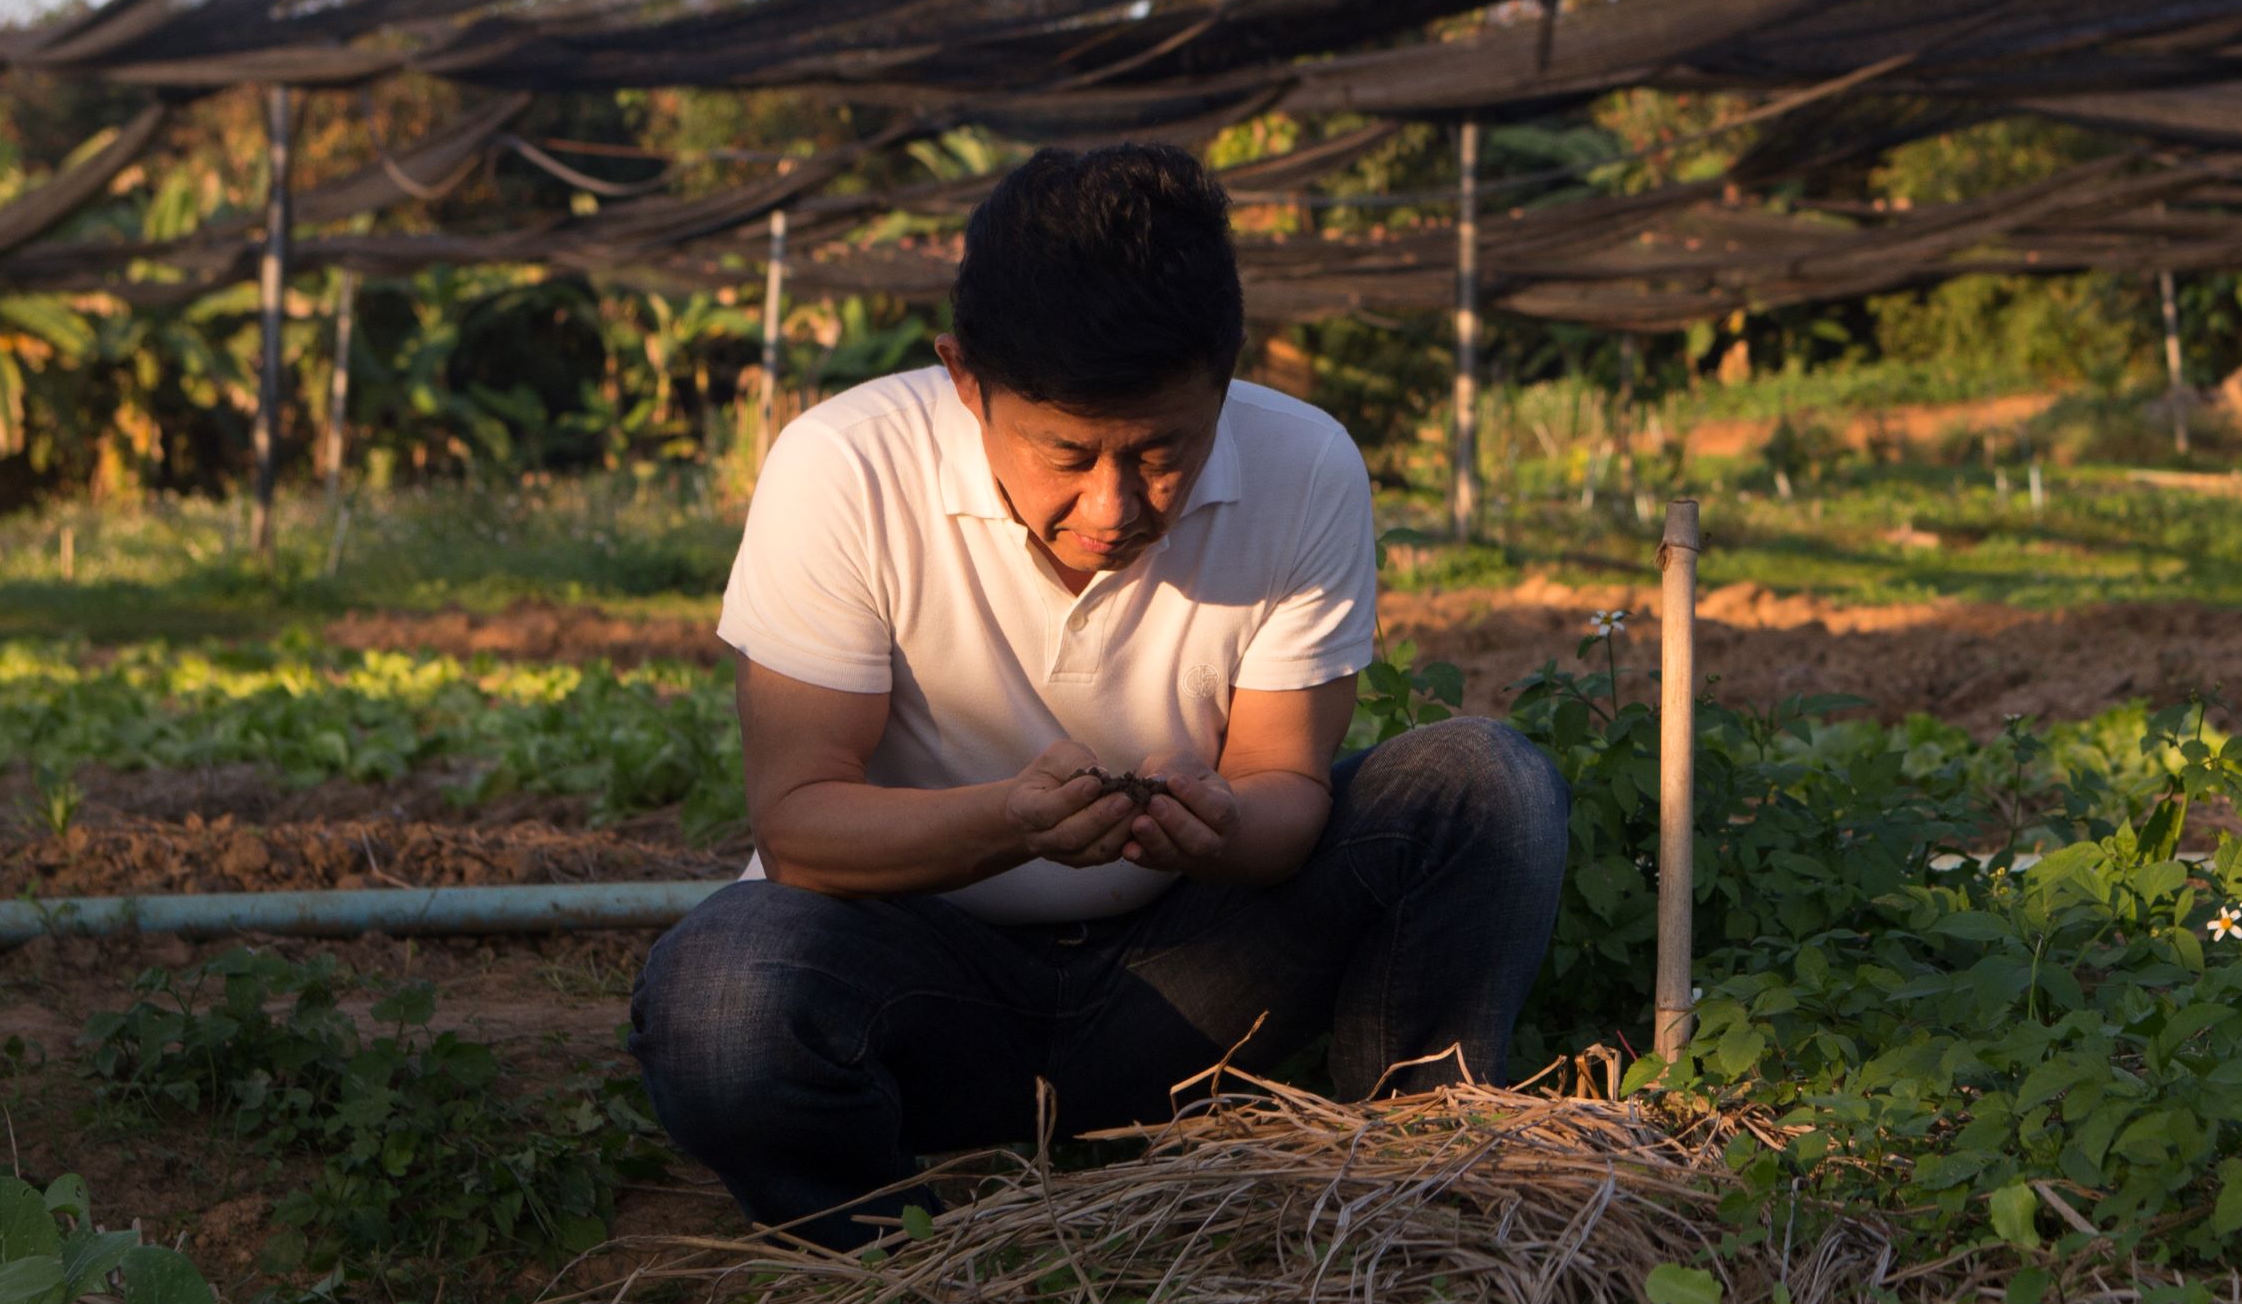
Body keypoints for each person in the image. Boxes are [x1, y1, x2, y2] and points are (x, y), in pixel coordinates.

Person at [631, 142, 1569, 1246]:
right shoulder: (844, 467)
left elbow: (1283, 788)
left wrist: (1217, 827)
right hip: (918, 976)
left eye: (1164, 449)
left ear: (1227, 376)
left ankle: (1404, 1191)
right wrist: (1007, 819)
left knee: (1484, 783)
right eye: (1067, 452)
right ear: (964, 377)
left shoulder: (1304, 463)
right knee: (722, 1000)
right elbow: (802, 832)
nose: (1114, 503)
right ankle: (890, 1255)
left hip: (1188, 979)